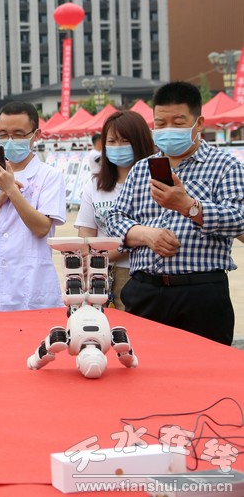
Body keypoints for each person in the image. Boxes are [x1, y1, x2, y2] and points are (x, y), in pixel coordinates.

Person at [107, 82, 244, 345]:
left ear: (198, 123)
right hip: (145, 290)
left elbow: (238, 219)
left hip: (201, 292)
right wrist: (145, 235)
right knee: (145, 364)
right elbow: (114, 218)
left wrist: (189, 206)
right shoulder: (141, 169)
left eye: (178, 123)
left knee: (206, 365)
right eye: (160, 123)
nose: (168, 129)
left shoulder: (225, 166)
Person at [0, 102, 67, 311]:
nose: (10, 141)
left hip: (32, 283)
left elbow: (41, 228)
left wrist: (10, 190)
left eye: (19, 134)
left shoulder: (49, 176)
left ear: (36, 135)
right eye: (3, 134)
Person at [75, 111, 155, 310]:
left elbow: (144, 235)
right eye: (111, 141)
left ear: (140, 142)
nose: (118, 147)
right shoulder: (95, 185)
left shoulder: (154, 184)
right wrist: (89, 263)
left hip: (138, 273)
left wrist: (100, 257)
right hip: (100, 274)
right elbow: (85, 232)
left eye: (125, 141)